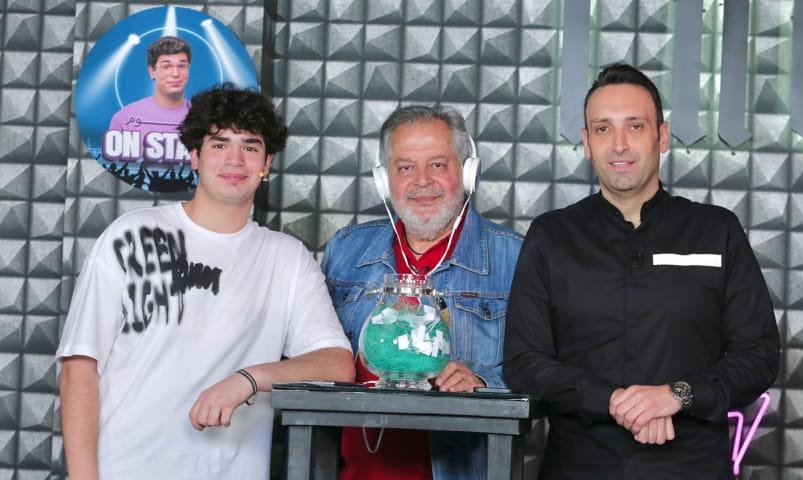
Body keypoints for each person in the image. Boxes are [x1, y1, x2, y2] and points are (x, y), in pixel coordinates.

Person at [57, 84, 355, 479]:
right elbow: (80, 366)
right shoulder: (132, 235)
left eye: (250, 146)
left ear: (266, 163)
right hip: (124, 468)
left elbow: (337, 364)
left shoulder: (287, 258)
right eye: (219, 144)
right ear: (195, 156)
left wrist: (249, 379)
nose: (235, 159)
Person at [503, 64, 780, 479]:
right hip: (580, 467)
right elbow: (524, 361)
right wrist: (613, 401)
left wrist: (677, 395)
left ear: (662, 137)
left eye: (635, 126)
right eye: (603, 129)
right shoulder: (551, 236)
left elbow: (758, 354)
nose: (619, 144)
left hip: (692, 469)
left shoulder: (716, 230)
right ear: (586, 142)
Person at [321, 105, 523, 479]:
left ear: (468, 172)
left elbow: (545, 369)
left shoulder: (516, 258)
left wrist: (484, 383)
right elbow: (309, 359)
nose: (422, 181)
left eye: (438, 165)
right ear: (384, 181)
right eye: (405, 168)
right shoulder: (345, 251)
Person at [104, 35, 192, 164]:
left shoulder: (204, 118)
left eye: (181, 66)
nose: (175, 74)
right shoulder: (124, 119)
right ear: (152, 71)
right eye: (166, 66)